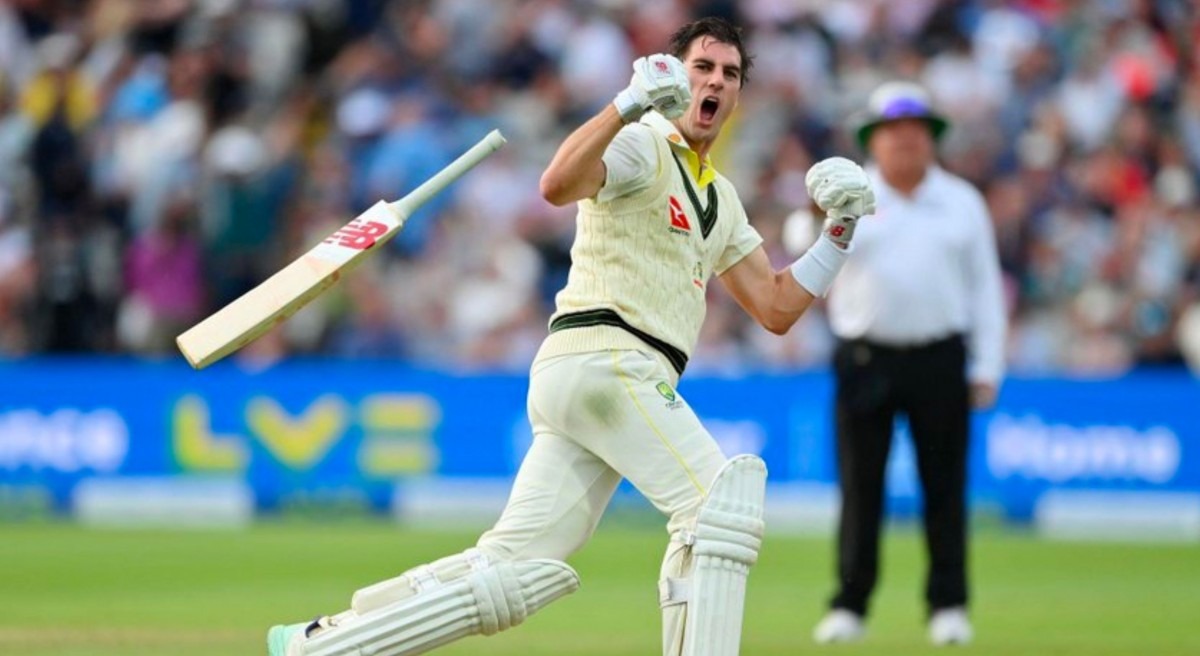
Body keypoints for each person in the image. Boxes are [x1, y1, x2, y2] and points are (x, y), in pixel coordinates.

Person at [267, 17, 875, 656]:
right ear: (676, 75)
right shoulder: (642, 143)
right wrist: (627, 103)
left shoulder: (719, 197)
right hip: (610, 358)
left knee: (509, 567)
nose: (716, 82)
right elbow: (556, 185)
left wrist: (837, 233)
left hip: (594, 376)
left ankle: (324, 642)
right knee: (718, 509)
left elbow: (775, 307)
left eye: (729, 74)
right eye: (703, 67)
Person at [810, 81, 1006, 646]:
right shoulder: (850, 195)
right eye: (893, 132)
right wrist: (822, 209)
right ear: (874, 140)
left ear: (931, 139)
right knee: (860, 487)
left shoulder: (961, 201)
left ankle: (949, 604)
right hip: (865, 356)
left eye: (916, 131)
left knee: (944, 486)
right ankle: (850, 603)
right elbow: (805, 245)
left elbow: (985, 288)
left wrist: (988, 365)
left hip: (940, 357)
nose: (905, 142)